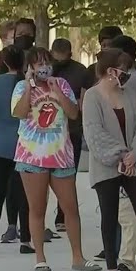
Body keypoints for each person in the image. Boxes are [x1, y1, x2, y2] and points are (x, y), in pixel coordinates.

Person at [11, 47, 101, 271]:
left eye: (46, 62)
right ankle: (40, 258)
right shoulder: (21, 87)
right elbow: (20, 113)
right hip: (32, 156)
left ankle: (78, 257)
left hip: (61, 154)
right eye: (38, 64)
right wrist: (29, 87)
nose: (44, 67)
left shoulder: (61, 84)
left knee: (70, 207)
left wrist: (57, 91)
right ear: (30, 67)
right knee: (37, 208)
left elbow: (73, 113)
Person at [83, 48, 136, 271]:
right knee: (109, 214)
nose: (126, 74)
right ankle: (112, 270)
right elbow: (94, 133)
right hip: (107, 166)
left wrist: (135, 155)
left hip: (134, 163)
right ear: (110, 70)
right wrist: (121, 155)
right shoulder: (92, 97)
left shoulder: (129, 94)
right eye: (123, 70)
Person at [0, 46, 33, 255]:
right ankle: (25, 241)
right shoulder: (26, 84)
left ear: (4, 62)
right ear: (24, 62)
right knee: (24, 193)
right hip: (22, 143)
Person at [0, 18, 41, 243]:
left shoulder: (38, 58)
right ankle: (12, 224)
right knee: (11, 184)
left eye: (27, 33)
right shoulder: (2, 60)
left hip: (33, 133)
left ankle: (32, 226)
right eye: (20, 33)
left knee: (31, 185)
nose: (24, 36)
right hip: (9, 130)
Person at [50, 38, 93, 233]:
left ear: (70, 55)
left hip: (71, 130)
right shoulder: (46, 70)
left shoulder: (81, 71)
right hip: (48, 131)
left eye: (63, 60)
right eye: (56, 60)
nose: (59, 64)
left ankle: (63, 214)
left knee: (68, 175)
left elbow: (84, 101)